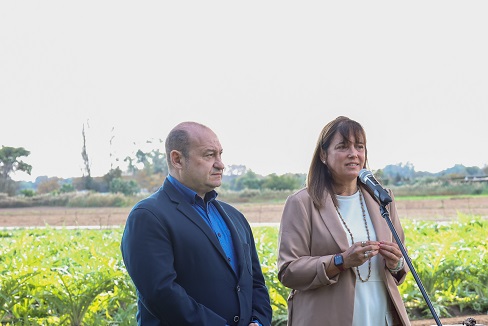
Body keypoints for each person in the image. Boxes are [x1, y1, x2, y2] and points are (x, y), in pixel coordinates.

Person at [121, 121, 271, 326]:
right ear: (177, 159)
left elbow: (255, 282)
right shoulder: (148, 215)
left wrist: (259, 321)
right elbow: (161, 293)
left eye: (220, 154)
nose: (220, 164)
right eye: (209, 155)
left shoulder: (235, 217)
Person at [277, 116, 411, 326]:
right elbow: (288, 271)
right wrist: (340, 262)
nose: (354, 154)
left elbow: (401, 267)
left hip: (379, 315)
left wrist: (397, 263)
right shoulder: (301, 203)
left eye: (360, 146)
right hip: (326, 318)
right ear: (323, 155)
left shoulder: (383, 198)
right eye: (342, 146)